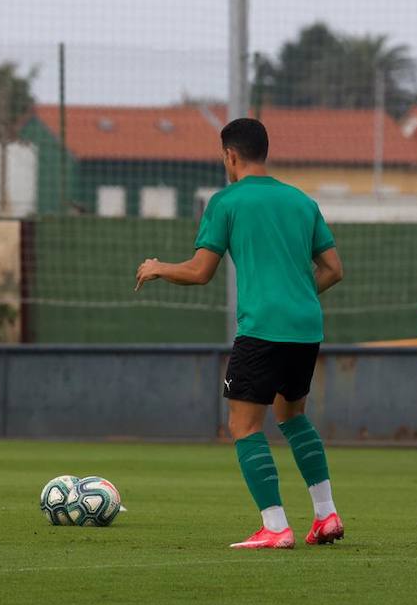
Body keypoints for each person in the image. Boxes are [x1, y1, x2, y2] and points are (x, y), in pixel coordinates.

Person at [134, 117, 345, 549]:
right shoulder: (301, 201)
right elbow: (334, 270)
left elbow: (199, 272)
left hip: (262, 328)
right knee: (292, 417)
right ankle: (325, 516)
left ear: (229, 155)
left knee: (244, 425)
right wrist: (298, 293)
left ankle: (275, 526)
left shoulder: (227, 201)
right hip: (305, 327)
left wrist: (158, 267)